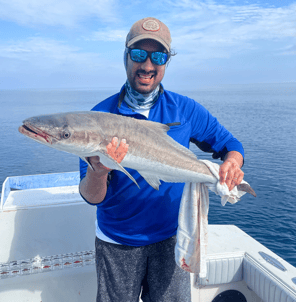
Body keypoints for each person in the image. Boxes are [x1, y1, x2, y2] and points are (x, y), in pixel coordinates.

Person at [79, 17, 244, 302]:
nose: (147, 65)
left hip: (171, 238)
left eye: (158, 56)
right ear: (126, 57)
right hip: (118, 241)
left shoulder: (184, 110)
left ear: (166, 62)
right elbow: (93, 197)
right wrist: (99, 170)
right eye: (139, 54)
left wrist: (234, 162)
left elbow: (229, 144)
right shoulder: (98, 119)